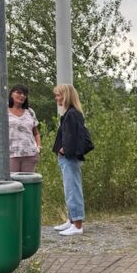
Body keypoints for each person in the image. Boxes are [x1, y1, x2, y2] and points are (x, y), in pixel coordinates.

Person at [52, 84, 88, 237]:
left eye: (58, 95)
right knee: (70, 189)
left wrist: (64, 150)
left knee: (72, 189)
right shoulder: (71, 113)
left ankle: (77, 224)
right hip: (68, 158)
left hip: (69, 158)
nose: (56, 98)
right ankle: (72, 220)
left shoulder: (72, 114)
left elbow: (72, 137)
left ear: (66, 95)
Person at [7, 84, 41, 173]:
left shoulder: (30, 111)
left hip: (30, 154)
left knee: (28, 184)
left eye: (24, 94)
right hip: (11, 154)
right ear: (11, 94)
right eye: (19, 92)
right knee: (13, 184)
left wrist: (38, 147)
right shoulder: (3, 111)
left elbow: (36, 133)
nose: (22, 96)